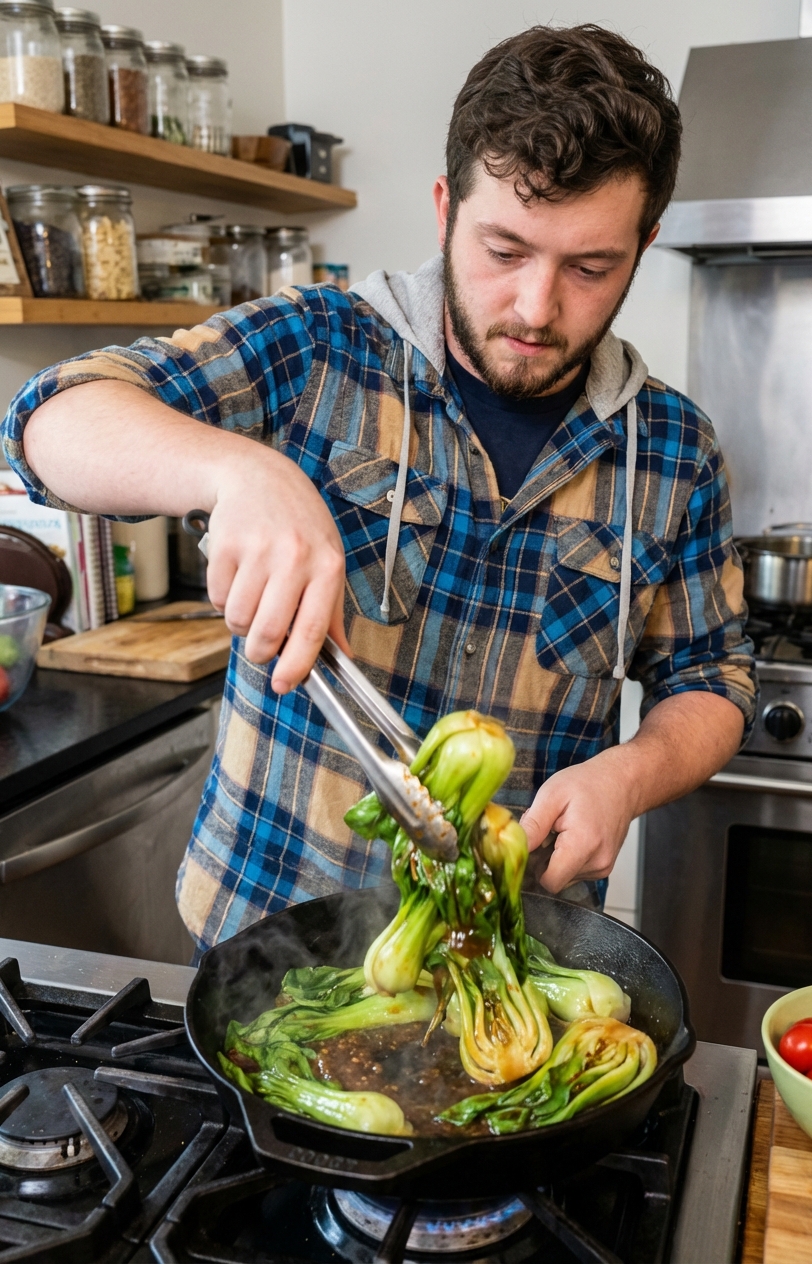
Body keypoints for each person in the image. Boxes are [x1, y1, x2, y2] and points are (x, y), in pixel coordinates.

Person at [2, 24, 756, 952]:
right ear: (445, 208)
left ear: (642, 246)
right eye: (504, 250)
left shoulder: (673, 451)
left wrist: (630, 776)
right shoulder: (319, 350)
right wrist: (242, 469)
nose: (535, 306)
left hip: (509, 957)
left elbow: (711, 677)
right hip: (269, 943)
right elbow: (49, 417)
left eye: (590, 267)